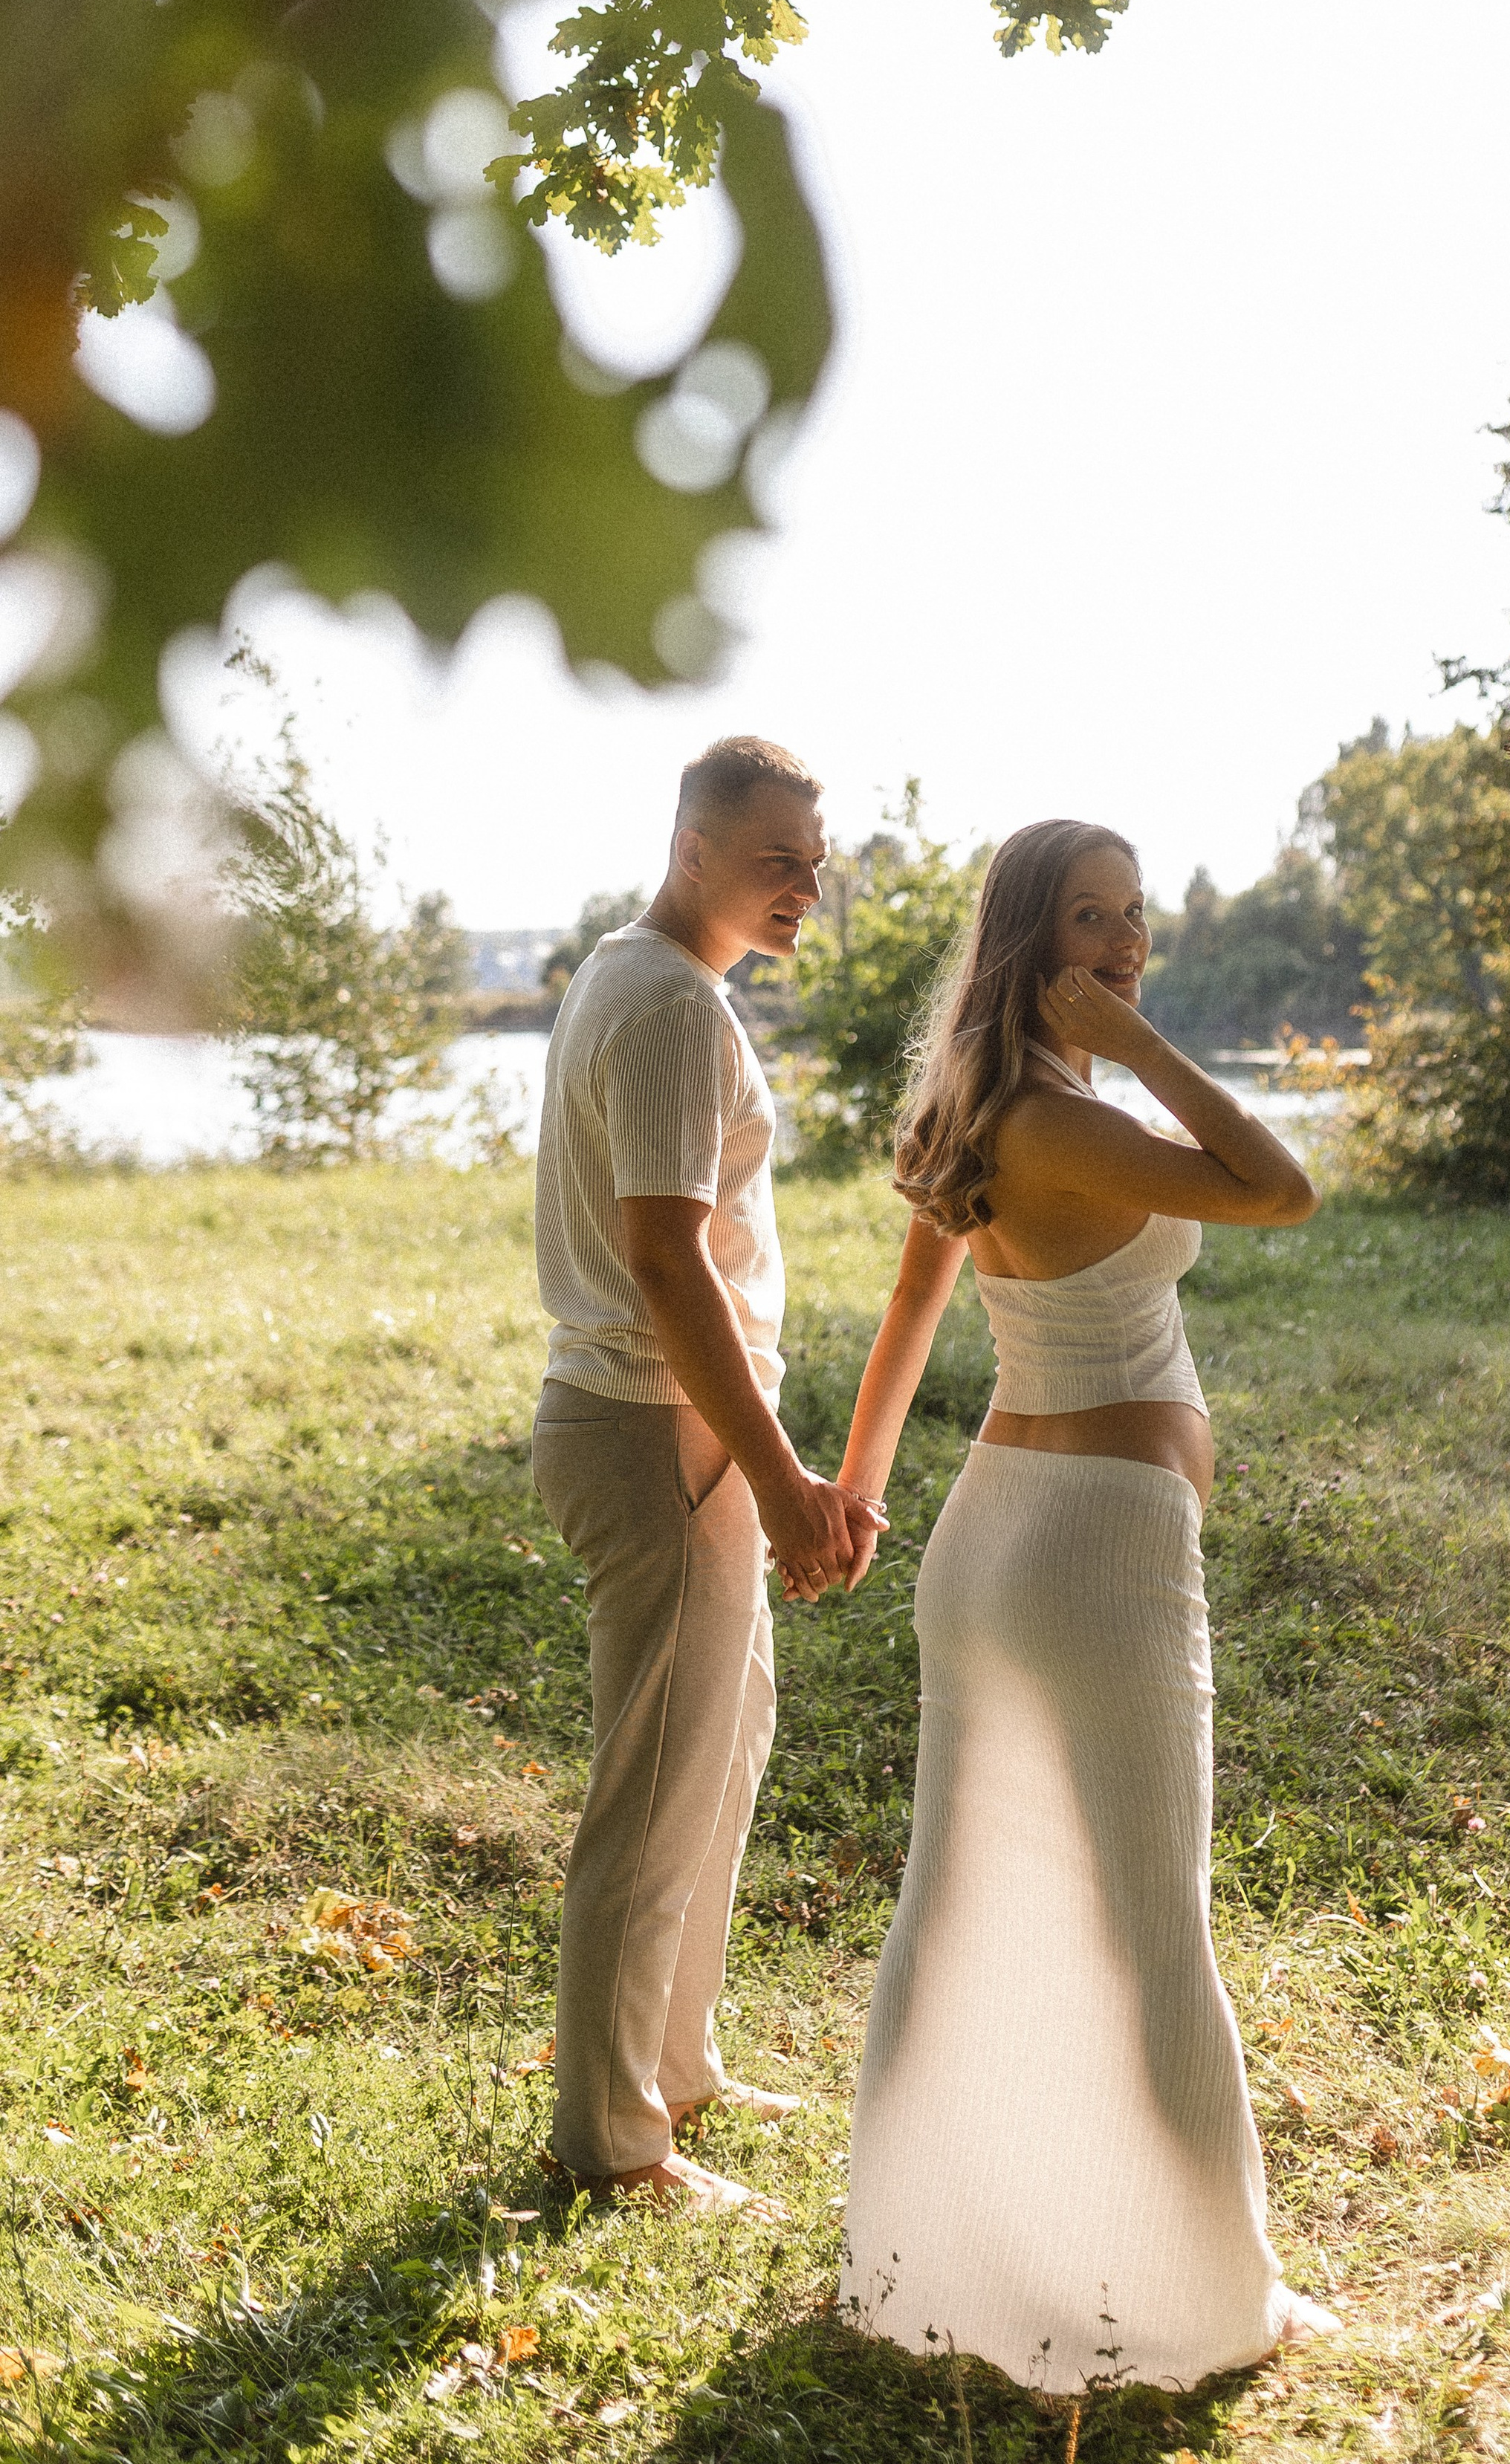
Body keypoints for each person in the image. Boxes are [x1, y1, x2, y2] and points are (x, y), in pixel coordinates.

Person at [834, 819, 1341, 2388]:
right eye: (1087, 922)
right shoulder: (1057, 1113)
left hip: (1006, 1539)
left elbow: (921, 1294)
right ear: (1026, 944)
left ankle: (935, 2256)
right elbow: (1280, 1189)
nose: (1121, 943)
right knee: (1143, 1921)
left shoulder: (991, 1102)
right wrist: (1134, 1040)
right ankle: (1198, 2294)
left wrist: (853, 1483)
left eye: (1135, 920)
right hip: (1086, 1561)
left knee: (988, 1903)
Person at [532, 736, 885, 2216]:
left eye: (814, 859)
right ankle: (612, 2147)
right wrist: (786, 1478)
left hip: (659, 1426)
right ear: (693, 849)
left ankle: (673, 2064)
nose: (804, 884)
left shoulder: (646, 982)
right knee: (655, 1786)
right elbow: (669, 1259)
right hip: (651, 1426)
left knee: (716, 1757)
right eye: (774, 858)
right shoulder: (671, 1003)